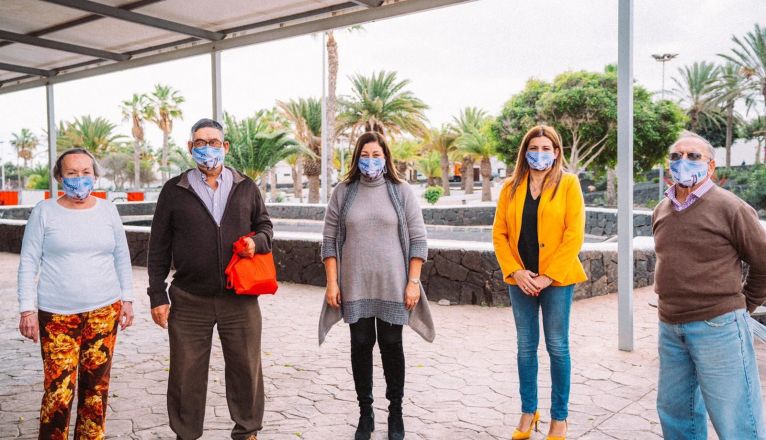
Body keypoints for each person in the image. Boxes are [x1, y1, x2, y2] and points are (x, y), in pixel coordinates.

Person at [147, 118, 273, 440]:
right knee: (186, 374)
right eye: (200, 143)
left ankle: (247, 432)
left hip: (240, 299)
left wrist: (254, 243)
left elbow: (266, 229)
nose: (207, 148)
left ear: (225, 147)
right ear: (190, 148)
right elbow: (158, 246)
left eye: (214, 142)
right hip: (189, 299)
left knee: (247, 370)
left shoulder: (246, 186)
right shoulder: (174, 190)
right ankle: (186, 434)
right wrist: (157, 295)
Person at [318, 131, 435, 440]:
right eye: (365, 155)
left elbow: (419, 240)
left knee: (392, 346)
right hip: (355, 285)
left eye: (377, 154)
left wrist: (413, 282)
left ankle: (395, 414)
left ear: (386, 157)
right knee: (360, 346)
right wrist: (332, 284)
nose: (371, 160)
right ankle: (365, 413)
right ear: (357, 157)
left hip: (394, 286)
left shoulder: (401, 191)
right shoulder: (344, 192)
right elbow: (329, 241)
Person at [653, 131, 766, 440]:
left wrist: (745, 305)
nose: (683, 162)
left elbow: (763, 261)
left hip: (717, 326)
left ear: (711, 167)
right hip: (670, 327)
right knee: (676, 413)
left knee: (736, 418)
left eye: (693, 156)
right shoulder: (661, 210)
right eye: (676, 157)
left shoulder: (731, 208)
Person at [17, 148, 135, 439]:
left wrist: (128, 299)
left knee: (96, 391)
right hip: (57, 316)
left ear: (95, 176)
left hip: (104, 311)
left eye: (86, 173)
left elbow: (121, 256)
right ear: (59, 177)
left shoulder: (107, 210)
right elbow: (28, 261)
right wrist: (26, 309)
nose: (79, 179)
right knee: (58, 392)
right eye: (71, 173)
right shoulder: (44, 212)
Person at [492, 125, 586, 440]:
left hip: (556, 281)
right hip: (521, 280)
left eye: (547, 148)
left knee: (557, 346)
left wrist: (548, 276)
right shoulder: (510, 186)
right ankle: (528, 412)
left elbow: (574, 235)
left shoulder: (569, 184)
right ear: (525, 151)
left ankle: (559, 418)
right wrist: (516, 272)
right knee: (525, 347)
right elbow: (500, 233)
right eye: (534, 147)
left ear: (557, 152)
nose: (540, 153)